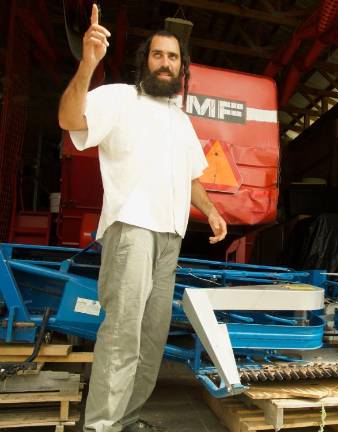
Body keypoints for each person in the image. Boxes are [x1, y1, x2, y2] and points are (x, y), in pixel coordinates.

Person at [58, 4, 227, 431]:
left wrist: (210, 210)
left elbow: (192, 178)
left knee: (152, 340)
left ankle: (126, 419)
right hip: (132, 229)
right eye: (158, 55)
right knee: (123, 335)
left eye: (172, 58)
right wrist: (88, 64)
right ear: (145, 61)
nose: (165, 63)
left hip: (171, 238)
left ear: (181, 68)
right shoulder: (119, 98)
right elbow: (69, 118)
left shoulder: (180, 121)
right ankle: (101, 426)